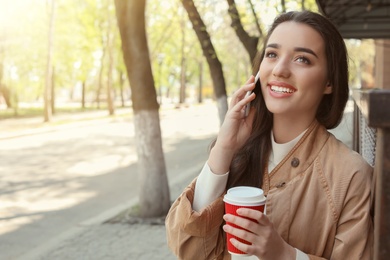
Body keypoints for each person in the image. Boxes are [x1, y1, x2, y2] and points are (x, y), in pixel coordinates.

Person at [165, 10, 374, 260]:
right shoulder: (236, 155)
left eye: (302, 59)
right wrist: (223, 149)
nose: (280, 70)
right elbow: (187, 250)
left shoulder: (350, 175)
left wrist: (285, 254)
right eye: (272, 54)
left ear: (329, 81)